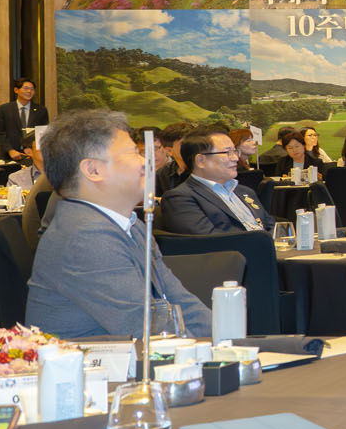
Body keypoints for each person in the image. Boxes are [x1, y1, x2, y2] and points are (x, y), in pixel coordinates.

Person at [27, 109, 213, 339]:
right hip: (101, 360)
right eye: (134, 153)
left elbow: (179, 300)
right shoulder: (88, 237)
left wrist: (229, 339)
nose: (146, 162)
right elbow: (147, 329)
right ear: (93, 170)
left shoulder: (130, 225)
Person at [157, 127, 270, 235]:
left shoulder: (244, 191)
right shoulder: (180, 198)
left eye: (235, 151)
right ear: (201, 160)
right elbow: (209, 240)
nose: (235, 158)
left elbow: (271, 225)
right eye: (227, 153)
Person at [0, 75, 45, 149]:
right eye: (26, 88)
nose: (29, 91)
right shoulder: (4, 109)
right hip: (10, 152)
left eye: (32, 89)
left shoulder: (41, 110)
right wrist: (10, 150)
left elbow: (43, 132)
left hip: (32, 152)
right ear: (16, 90)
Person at [152, 121, 194, 197]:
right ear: (169, 151)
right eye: (184, 144)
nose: (191, 146)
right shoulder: (162, 174)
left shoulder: (203, 170)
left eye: (193, 142)